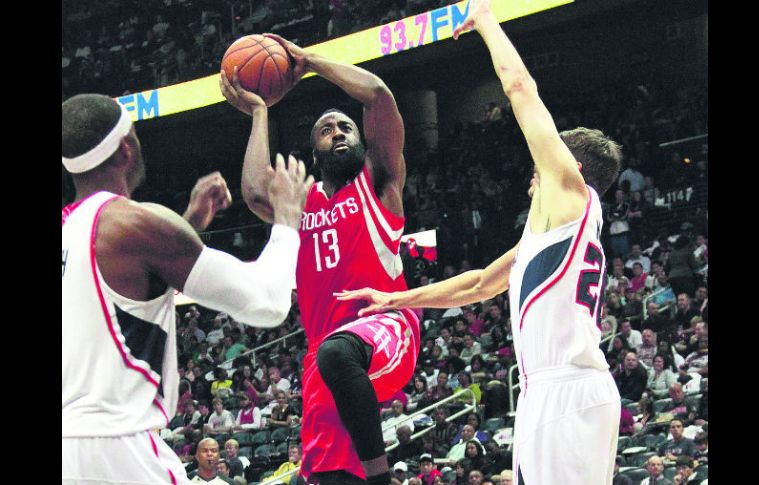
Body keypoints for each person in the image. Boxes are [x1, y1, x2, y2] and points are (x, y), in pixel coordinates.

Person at [336, 2, 623, 483]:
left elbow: (520, 88)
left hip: (562, 389)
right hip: (567, 391)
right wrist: (395, 298)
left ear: (569, 167)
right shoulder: (558, 230)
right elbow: (482, 283)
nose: (534, 172)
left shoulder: (569, 194)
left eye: (543, 162)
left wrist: (486, 20)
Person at [62, 94, 312, 484]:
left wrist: (187, 226)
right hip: (118, 449)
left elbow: (124, 284)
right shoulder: (136, 224)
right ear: (127, 148)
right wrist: (287, 220)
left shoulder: (71, 230)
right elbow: (268, 304)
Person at [220, 32, 420, 485]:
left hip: (387, 328)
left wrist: (307, 61)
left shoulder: (379, 183)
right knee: (328, 474)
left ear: (363, 143)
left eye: (345, 127)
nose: (338, 133)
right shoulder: (301, 204)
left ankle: (382, 477)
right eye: (327, 131)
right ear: (316, 153)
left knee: (338, 352)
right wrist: (258, 112)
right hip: (324, 354)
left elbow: (379, 96)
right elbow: (253, 191)